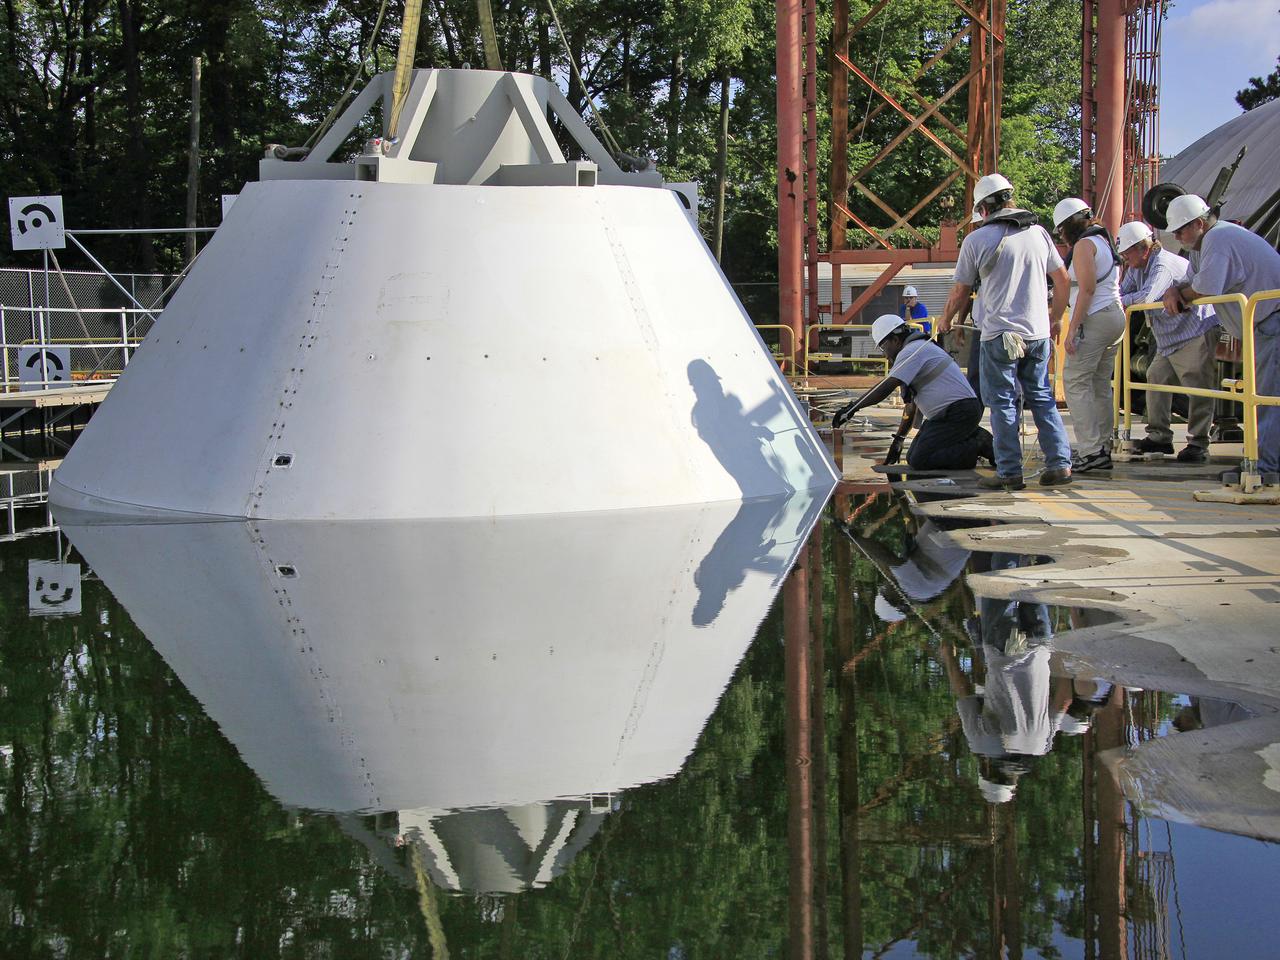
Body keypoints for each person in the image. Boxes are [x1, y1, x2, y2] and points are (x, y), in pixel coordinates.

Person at [938, 173, 1073, 490]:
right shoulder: (1039, 235)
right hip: (1037, 334)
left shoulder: (976, 240)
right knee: (1041, 398)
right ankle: (1060, 464)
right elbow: (1063, 279)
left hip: (1000, 335)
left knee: (1001, 402)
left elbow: (960, 290)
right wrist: (1054, 318)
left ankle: (1010, 471)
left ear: (984, 208)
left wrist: (945, 320)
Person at [1162, 193, 1280, 479]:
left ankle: (1265, 468)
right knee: (1263, 398)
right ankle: (1262, 462)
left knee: (1267, 398)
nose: (1177, 236)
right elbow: (1192, 280)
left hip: (1271, 321)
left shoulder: (1219, 238)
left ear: (1200, 223)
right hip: (1264, 323)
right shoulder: (1204, 245)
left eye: (1181, 229)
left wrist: (1178, 294)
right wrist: (1177, 289)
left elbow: (1206, 287)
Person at [1116, 220, 1221, 463]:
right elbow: (1121, 292)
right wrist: (1121, 299)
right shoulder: (1136, 267)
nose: (1124, 258)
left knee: (1198, 386)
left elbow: (1147, 296)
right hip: (1170, 337)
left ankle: (1198, 442)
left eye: (1127, 252)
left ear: (1143, 248)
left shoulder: (1162, 264)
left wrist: (1122, 301)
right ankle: (1159, 437)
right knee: (1156, 378)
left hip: (1194, 331)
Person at [832, 314, 994, 470]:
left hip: (957, 413)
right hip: (950, 416)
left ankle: (977, 445)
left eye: (883, 347)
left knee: (920, 459)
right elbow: (910, 405)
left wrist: (853, 408)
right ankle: (972, 434)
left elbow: (886, 386)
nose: (884, 353)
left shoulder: (912, 351)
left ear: (895, 340)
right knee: (913, 456)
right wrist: (899, 439)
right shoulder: (915, 349)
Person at [1054, 197, 1125, 473]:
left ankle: (1091, 450)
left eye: (1061, 229)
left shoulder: (1084, 245)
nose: (1061, 235)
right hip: (1114, 315)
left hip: (1096, 317)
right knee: (1098, 384)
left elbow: (1087, 289)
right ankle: (1101, 445)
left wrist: (1072, 328)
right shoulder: (1104, 240)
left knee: (1075, 380)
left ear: (1070, 225)